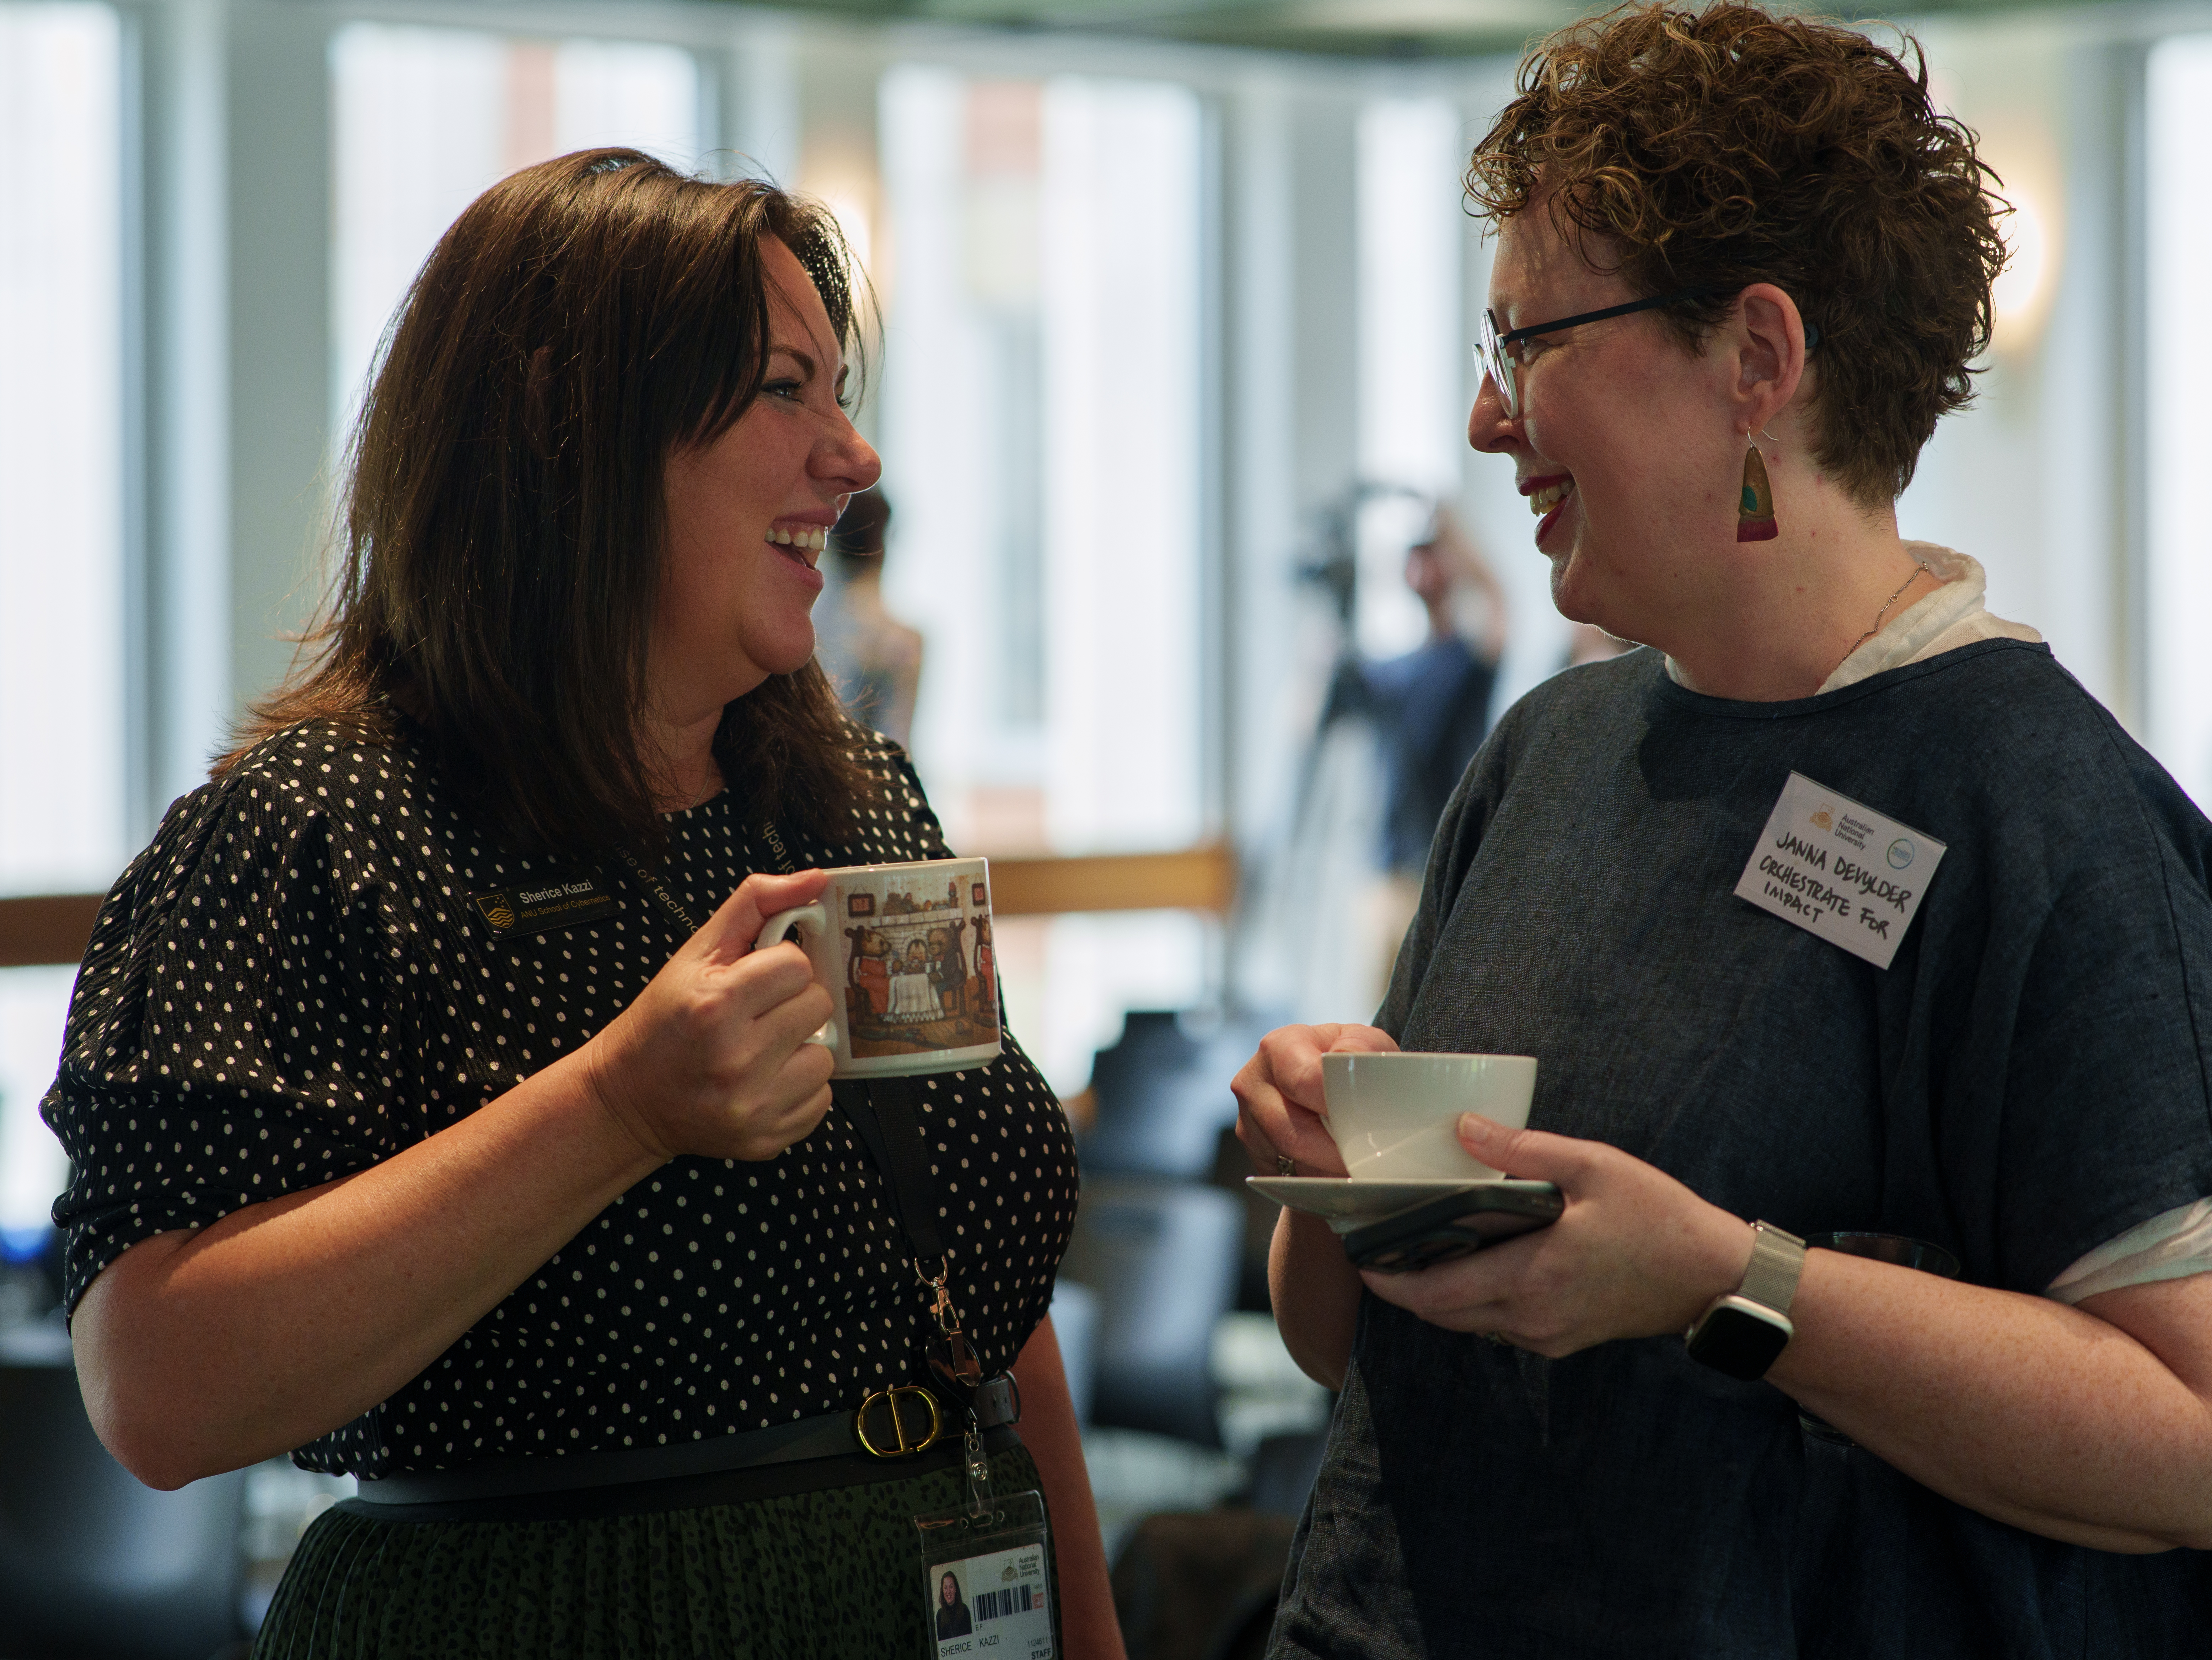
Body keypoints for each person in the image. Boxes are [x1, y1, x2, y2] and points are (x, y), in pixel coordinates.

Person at [45, 150, 1122, 1658]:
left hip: (942, 1585)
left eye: (839, 392)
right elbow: (155, 1386)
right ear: (569, 426)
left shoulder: (854, 803)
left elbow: (969, 1296)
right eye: (780, 392)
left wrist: (1089, 1623)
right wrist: (616, 1107)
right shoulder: (316, 833)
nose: (852, 457)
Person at [1235, 7, 2212, 1656]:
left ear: (1756, 359)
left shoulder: (2043, 817)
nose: (1486, 424)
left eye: (1527, 343)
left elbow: (2186, 1438)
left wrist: (1720, 1281)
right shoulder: (1543, 754)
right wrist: (1338, 1179)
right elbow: (1353, 1345)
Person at [818, 488, 924, 747]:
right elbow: (897, 745)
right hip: (859, 778)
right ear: (884, 541)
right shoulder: (900, 642)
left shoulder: (800, 628)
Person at [936, 1570, 975, 1640]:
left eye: (951, 1587)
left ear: (956, 1589)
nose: (948, 1591)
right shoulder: (940, 1615)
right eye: (945, 1588)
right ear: (942, 1590)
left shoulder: (965, 1610)